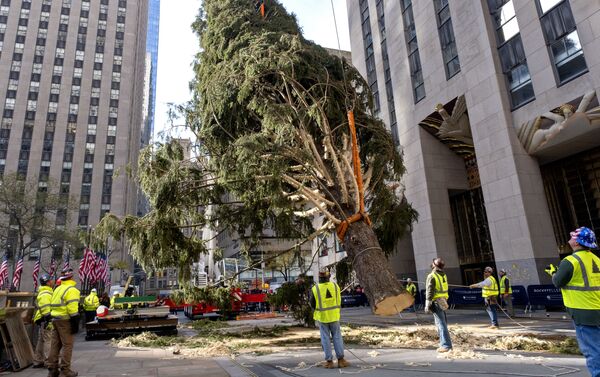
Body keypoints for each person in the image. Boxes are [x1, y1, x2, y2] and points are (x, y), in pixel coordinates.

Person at [547, 227, 600, 377]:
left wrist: (553, 272)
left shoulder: (571, 260)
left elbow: (558, 282)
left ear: (577, 242)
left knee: (593, 351)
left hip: (584, 311)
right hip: (596, 307)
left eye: (572, 237)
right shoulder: (596, 259)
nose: (569, 239)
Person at [309, 271, 349, 369]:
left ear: (319, 278)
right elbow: (339, 301)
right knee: (337, 337)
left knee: (325, 338)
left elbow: (312, 303)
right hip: (334, 316)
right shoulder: (335, 286)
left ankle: (329, 362)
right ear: (329, 277)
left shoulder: (315, 289)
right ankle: (341, 360)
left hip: (322, 317)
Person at [47, 268, 80, 377]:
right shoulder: (72, 290)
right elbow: (72, 309)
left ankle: (52, 369)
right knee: (67, 345)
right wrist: (75, 322)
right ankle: (65, 370)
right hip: (65, 320)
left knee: (55, 345)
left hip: (55, 319)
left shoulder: (57, 289)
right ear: (71, 277)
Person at [425, 258, 452, 352]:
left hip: (436, 302)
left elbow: (430, 290)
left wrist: (427, 303)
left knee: (441, 324)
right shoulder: (443, 275)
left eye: (432, 263)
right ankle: (443, 343)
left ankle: (446, 345)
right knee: (441, 323)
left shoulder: (432, 276)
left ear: (434, 265)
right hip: (443, 301)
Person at [32, 274, 54, 368]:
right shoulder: (45, 293)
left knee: (41, 340)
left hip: (41, 319)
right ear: (48, 282)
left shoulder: (44, 292)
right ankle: (48, 362)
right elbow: (45, 309)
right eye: (50, 280)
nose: (52, 282)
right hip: (45, 319)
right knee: (48, 340)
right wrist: (48, 320)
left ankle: (38, 360)